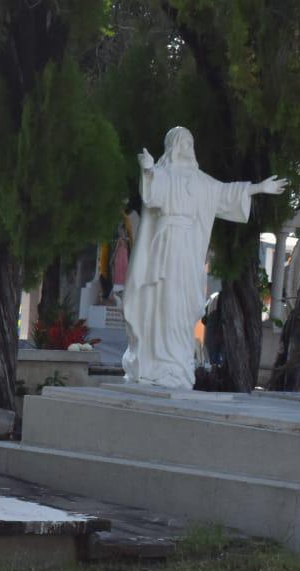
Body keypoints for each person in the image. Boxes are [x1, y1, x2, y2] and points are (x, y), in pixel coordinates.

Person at [121, 126, 286, 390]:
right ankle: (157, 362)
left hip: (188, 249)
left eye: (190, 143)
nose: (187, 148)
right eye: (182, 144)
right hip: (166, 246)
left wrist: (259, 188)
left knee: (184, 303)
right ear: (173, 147)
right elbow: (152, 194)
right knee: (165, 301)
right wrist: (148, 169)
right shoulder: (165, 174)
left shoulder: (200, 181)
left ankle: (177, 364)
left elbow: (225, 192)